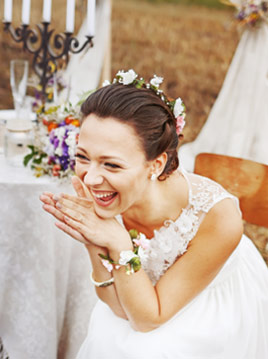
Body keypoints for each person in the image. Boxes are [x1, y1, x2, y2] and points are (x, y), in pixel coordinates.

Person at [40, 70, 268, 359]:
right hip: (139, 295)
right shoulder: (107, 198)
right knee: (108, 332)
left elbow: (150, 318)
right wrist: (95, 240)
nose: (91, 178)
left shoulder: (218, 216)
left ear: (156, 164)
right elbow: (118, 305)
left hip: (208, 304)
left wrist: (118, 242)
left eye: (111, 165)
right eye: (84, 157)